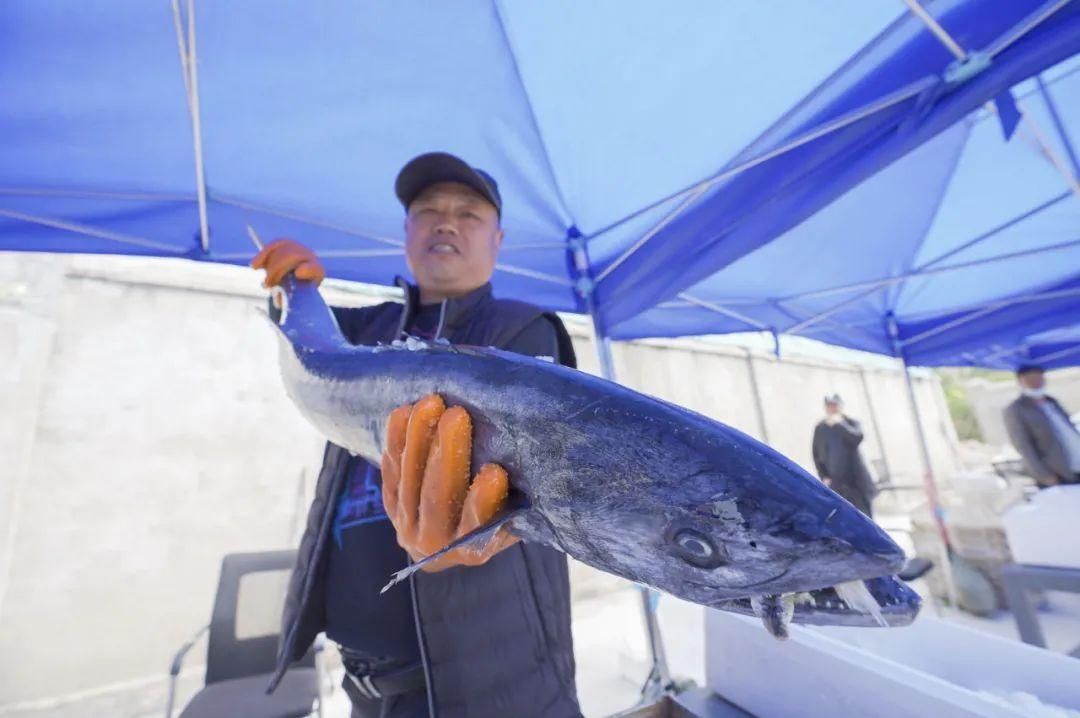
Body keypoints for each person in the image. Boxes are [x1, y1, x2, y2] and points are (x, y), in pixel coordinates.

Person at [252, 152, 581, 717]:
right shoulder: (364, 329)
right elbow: (306, 341)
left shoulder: (525, 331)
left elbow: (531, 474)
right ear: (406, 232)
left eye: (468, 214)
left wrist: (457, 541)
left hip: (493, 694)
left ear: (497, 239)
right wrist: (291, 286)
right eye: (427, 210)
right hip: (364, 693)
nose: (445, 222)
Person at [1004, 364, 1080, 488]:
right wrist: (1043, 475)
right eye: (1030, 379)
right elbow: (1023, 446)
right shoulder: (1016, 409)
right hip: (1060, 473)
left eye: (1038, 378)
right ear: (1021, 381)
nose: (1036, 382)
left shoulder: (1052, 402)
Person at [811, 394, 877, 517]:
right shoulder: (820, 428)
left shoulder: (851, 423)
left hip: (856, 481)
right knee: (843, 516)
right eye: (830, 406)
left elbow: (857, 437)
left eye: (835, 406)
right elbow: (816, 454)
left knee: (865, 516)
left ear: (841, 407)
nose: (832, 409)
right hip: (836, 482)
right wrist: (823, 476)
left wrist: (839, 424)